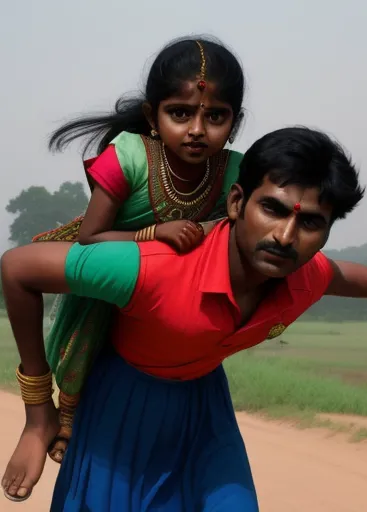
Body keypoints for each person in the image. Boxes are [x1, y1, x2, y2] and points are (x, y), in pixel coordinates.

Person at [1, 127, 367, 510]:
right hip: (121, 407)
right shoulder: (152, 268)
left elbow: (343, 277)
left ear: (326, 231)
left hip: (205, 412)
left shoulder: (303, 275)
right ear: (235, 203)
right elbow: (17, 268)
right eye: (271, 209)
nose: (286, 236)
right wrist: (38, 413)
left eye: (310, 222)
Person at [27, 35, 246, 467]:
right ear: (152, 115)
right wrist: (153, 235)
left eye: (215, 116)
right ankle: (63, 417)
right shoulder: (127, 156)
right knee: (87, 337)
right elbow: (91, 238)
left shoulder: (236, 171)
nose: (197, 130)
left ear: (234, 122)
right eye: (179, 114)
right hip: (115, 261)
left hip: (176, 283)